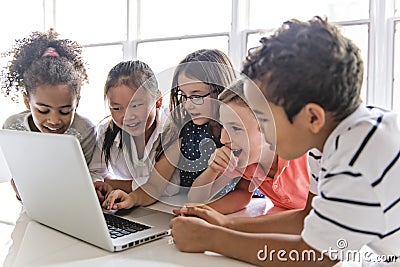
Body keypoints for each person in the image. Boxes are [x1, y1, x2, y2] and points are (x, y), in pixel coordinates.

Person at [170, 17, 400, 266]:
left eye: (264, 119)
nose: (263, 132)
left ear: (312, 117)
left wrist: (212, 239)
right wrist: (228, 224)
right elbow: (307, 217)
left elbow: (315, 256)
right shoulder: (326, 145)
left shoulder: (358, 155)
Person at [102, 49, 237, 210]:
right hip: (197, 209)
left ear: (221, 90)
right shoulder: (185, 132)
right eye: (184, 96)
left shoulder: (240, 136)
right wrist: (132, 198)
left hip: (237, 211)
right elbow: (154, 186)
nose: (187, 104)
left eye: (196, 96)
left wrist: (211, 214)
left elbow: (243, 194)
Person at [187, 81, 310, 215]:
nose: (223, 139)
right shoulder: (245, 161)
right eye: (223, 126)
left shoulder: (305, 157)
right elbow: (197, 199)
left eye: (235, 128)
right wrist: (213, 169)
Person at [1, 29, 96, 200]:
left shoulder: (85, 130)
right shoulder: (12, 127)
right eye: (43, 110)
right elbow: (15, 180)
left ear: (77, 103)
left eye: (65, 111)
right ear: (27, 102)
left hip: (74, 204)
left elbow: (87, 183)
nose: (54, 120)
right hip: (32, 206)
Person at [90, 60, 176, 202]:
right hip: (129, 206)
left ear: (158, 100)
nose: (127, 116)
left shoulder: (172, 128)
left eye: (135, 105)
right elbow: (95, 173)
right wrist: (99, 187)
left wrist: (113, 184)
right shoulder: (106, 132)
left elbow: (169, 186)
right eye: (116, 108)